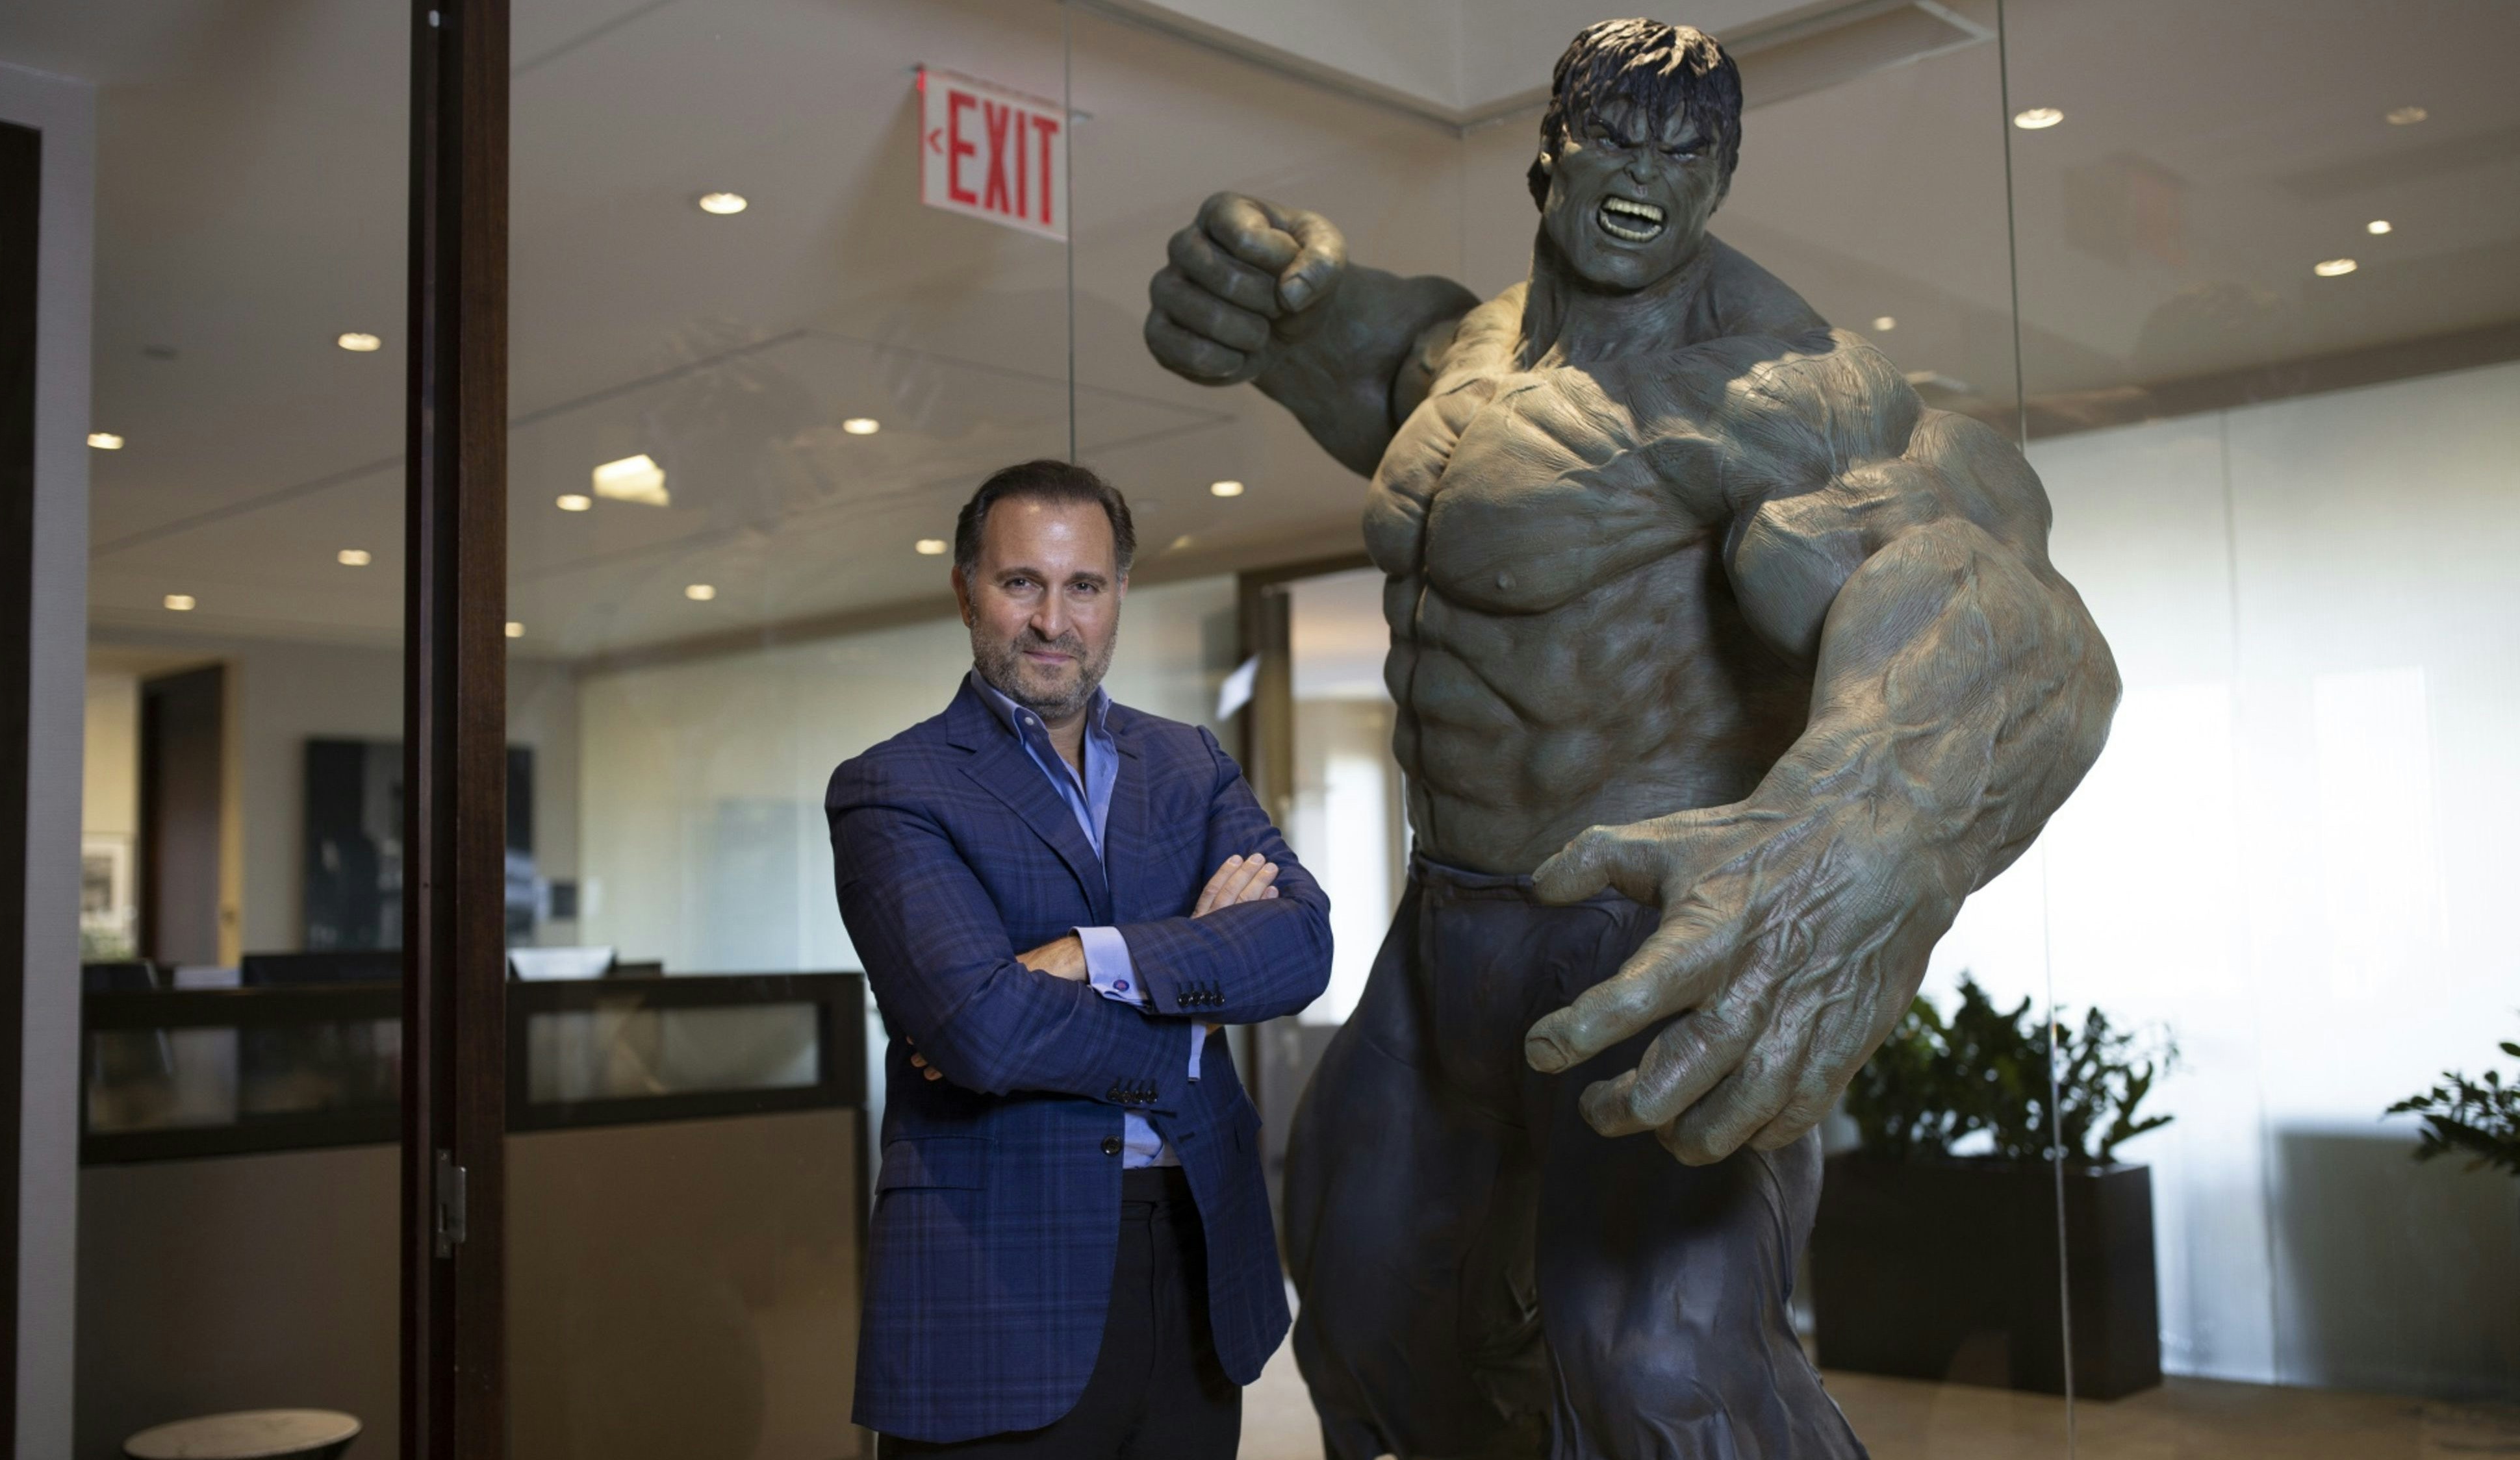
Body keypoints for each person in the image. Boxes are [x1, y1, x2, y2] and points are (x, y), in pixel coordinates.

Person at [1142, 18, 2119, 1460]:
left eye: (1686, 154)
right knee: (1367, 1314)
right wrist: (1286, 315)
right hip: (1444, 937)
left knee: (1660, 1373)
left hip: (1634, 940)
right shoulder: (1469, 352)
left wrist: (1866, 833)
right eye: (1616, 139)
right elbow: (1416, 402)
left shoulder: (1785, 390)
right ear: (1551, 152)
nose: (1645, 178)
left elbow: (2010, 611)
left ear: (1721, 179)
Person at [827, 459, 1332, 1458]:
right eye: (1021, 582)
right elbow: (983, 1032)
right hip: (995, 1281)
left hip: (1197, 1254)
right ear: (965, 590)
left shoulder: (1189, 763)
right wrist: (1193, 1009)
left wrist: (1085, 955)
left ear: (1118, 596)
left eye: (1083, 586)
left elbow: (1302, 945)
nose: (1053, 621)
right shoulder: (893, 787)